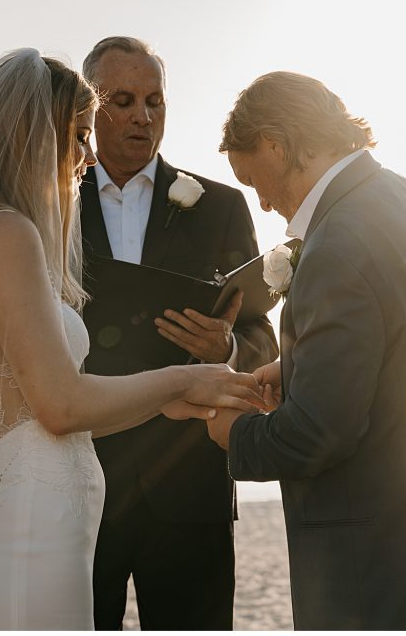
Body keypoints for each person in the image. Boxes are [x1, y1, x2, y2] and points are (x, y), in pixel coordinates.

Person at [0, 49, 262, 631]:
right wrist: (183, 377)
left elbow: (40, 407)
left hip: (34, 517)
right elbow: (59, 408)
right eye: (79, 136)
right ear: (32, 137)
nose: (88, 156)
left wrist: (164, 400)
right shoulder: (7, 234)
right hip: (26, 529)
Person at [207, 71, 406, 629]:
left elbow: (319, 434)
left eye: (254, 178)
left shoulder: (337, 241)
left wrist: (231, 433)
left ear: (276, 145)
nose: (264, 201)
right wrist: (297, 366)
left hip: (378, 572)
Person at [79, 36, 279, 630]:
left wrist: (228, 350)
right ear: (88, 109)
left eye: (154, 101)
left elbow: (259, 331)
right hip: (83, 478)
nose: (143, 116)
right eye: (122, 100)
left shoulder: (220, 207)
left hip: (190, 481)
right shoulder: (51, 205)